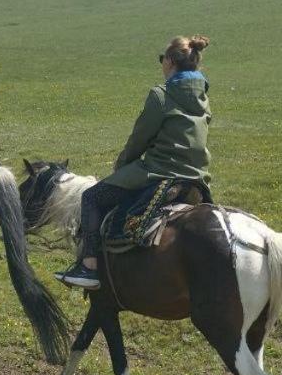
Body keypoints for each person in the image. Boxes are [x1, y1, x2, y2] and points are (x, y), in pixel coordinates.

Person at [56, 35, 211, 288]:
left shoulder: (161, 95)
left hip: (159, 172)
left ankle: (89, 267)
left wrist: (122, 166)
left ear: (171, 61)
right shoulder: (203, 98)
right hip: (196, 176)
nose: (162, 64)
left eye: (162, 59)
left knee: (92, 198)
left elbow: (139, 139)